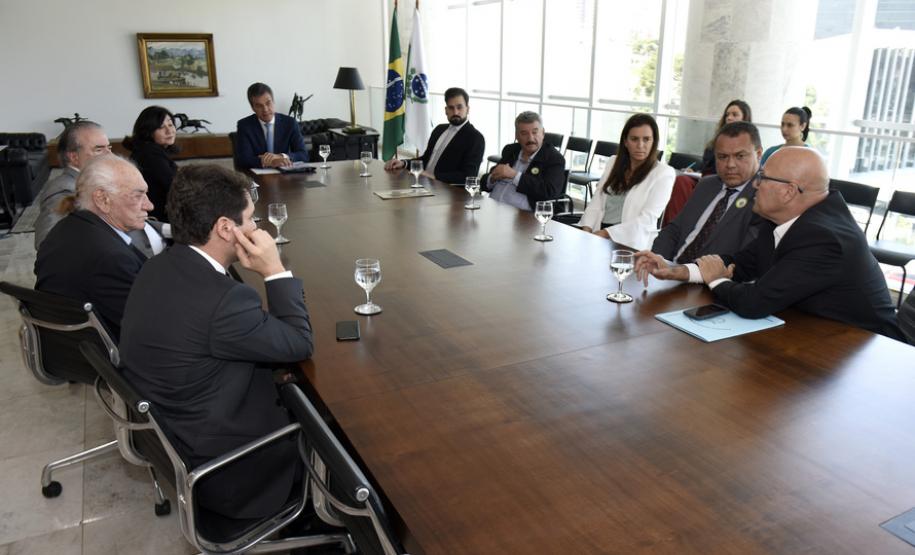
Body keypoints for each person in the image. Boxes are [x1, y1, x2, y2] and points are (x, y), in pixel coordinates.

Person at [120, 164, 313, 520]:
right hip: (235, 471)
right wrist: (274, 270)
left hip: (182, 438)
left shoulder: (157, 267)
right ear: (226, 228)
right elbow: (299, 343)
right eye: (251, 219)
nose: (257, 228)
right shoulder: (225, 302)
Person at [636, 147, 902, 340]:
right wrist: (678, 270)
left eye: (762, 178)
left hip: (866, 349)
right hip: (811, 331)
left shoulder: (823, 237)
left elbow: (754, 303)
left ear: (788, 191)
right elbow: (741, 263)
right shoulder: (783, 218)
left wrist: (717, 279)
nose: (754, 185)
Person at [34, 154, 154, 340]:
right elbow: (151, 329)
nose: (149, 205)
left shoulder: (64, 229)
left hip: (70, 347)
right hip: (106, 356)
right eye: (138, 196)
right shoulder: (110, 258)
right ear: (102, 199)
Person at [652, 121, 763, 262]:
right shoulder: (706, 185)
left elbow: (745, 259)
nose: (730, 165)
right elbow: (674, 230)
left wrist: (686, 272)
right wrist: (657, 261)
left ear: (758, 154)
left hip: (712, 280)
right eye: (722, 157)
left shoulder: (764, 195)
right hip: (670, 270)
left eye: (740, 156)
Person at [578, 113, 675, 250]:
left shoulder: (663, 173)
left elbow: (646, 220)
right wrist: (586, 231)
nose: (640, 145)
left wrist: (604, 234)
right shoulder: (613, 162)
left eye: (646, 139)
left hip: (630, 244)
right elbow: (597, 201)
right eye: (634, 139)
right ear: (625, 141)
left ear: (654, 142)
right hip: (598, 236)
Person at [33, 121, 112, 248]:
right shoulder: (64, 190)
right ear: (74, 157)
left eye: (109, 148)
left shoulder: (90, 181)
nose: (109, 154)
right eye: (99, 149)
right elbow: (46, 242)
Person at [383, 87, 485, 184]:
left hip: (449, 193)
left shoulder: (475, 138)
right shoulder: (439, 129)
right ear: (446, 110)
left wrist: (434, 176)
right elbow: (426, 159)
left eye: (459, 107)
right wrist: (404, 163)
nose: (455, 112)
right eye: (451, 108)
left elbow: (468, 176)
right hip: (423, 183)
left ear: (467, 109)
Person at [480, 111, 566, 211]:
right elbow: (484, 183)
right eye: (524, 133)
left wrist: (514, 175)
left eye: (535, 132)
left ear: (542, 133)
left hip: (522, 218)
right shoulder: (511, 150)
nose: (530, 138)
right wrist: (492, 178)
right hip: (492, 208)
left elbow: (549, 192)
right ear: (516, 136)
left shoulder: (553, 158)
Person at [236, 82, 309, 169]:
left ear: (273, 101)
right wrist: (271, 162)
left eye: (268, 103)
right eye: (259, 106)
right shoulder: (244, 126)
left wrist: (281, 156)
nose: (265, 109)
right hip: (258, 177)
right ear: (253, 108)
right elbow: (243, 160)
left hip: (285, 176)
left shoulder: (290, 123)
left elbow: (303, 155)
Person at [124, 106, 178, 222]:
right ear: (148, 132)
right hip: (157, 219)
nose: (169, 131)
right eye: (161, 127)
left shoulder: (150, 151)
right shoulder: (149, 155)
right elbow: (174, 186)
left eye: (170, 124)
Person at [699, 100, 752, 175]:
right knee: (683, 179)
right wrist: (695, 171)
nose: (729, 118)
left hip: (728, 181)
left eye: (734, 115)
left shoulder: (750, 145)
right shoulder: (715, 143)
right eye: (727, 115)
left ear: (744, 118)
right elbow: (704, 168)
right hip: (706, 180)